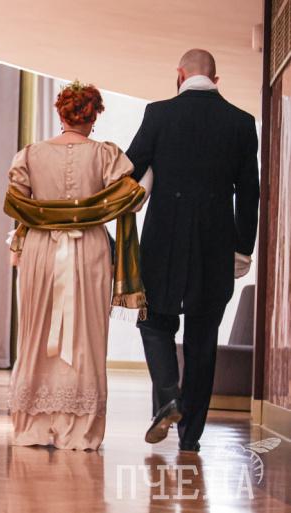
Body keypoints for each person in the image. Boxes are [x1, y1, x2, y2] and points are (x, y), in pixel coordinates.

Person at [126, 49, 260, 452]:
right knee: (203, 337)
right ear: (216, 80)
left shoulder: (158, 114)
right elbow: (249, 192)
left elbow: (130, 171)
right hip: (215, 243)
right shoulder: (241, 122)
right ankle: (191, 437)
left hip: (163, 239)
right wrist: (243, 248)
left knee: (154, 322)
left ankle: (168, 397)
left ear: (180, 74)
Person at [4, 81, 146, 450]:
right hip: (88, 248)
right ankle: (80, 430)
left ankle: (33, 425)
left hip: (41, 249)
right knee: (87, 335)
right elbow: (130, 201)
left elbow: (18, 205)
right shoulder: (105, 156)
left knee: (35, 332)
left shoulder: (31, 155)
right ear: (94, 116)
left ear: (60, 114)